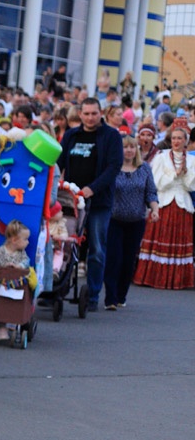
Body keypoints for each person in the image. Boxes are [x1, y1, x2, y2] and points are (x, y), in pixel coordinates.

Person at [57, 97, 124, 311]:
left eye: (94, 113)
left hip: (98, 202)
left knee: (96, 248)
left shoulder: (111, 136)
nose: (90, 117)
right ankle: (58, 288)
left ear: (100, 112)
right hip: (70, 201)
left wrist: (91, 189)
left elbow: (114, 167)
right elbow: (58, 163)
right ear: (80, 114)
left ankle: (93, 295)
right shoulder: (71, 135)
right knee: (64, 244)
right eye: (86, 113)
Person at [132, 121, 195, 290]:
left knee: (179, 241)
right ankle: (153, 277)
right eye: (174, 138)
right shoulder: (161, 157)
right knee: (158, 239)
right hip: (163, 201)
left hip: (182, 203)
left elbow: (192, 186)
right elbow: (155, 182)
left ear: (186, 141)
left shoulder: (192, 160)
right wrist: (174, 175)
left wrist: (185, 174)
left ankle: (178, 279)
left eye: (180, 138)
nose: (176, 141)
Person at [104, 136, 158, 309]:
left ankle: (121, 295)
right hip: (114, 220)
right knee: (114, 258)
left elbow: (151, 192)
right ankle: (110, 298)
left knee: (128, 261)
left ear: (136, 150)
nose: (129, 150)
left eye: (132, 147)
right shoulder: (113, 169)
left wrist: (154, 209)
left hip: (136, 221)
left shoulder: (144, 169)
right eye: (125, 147)